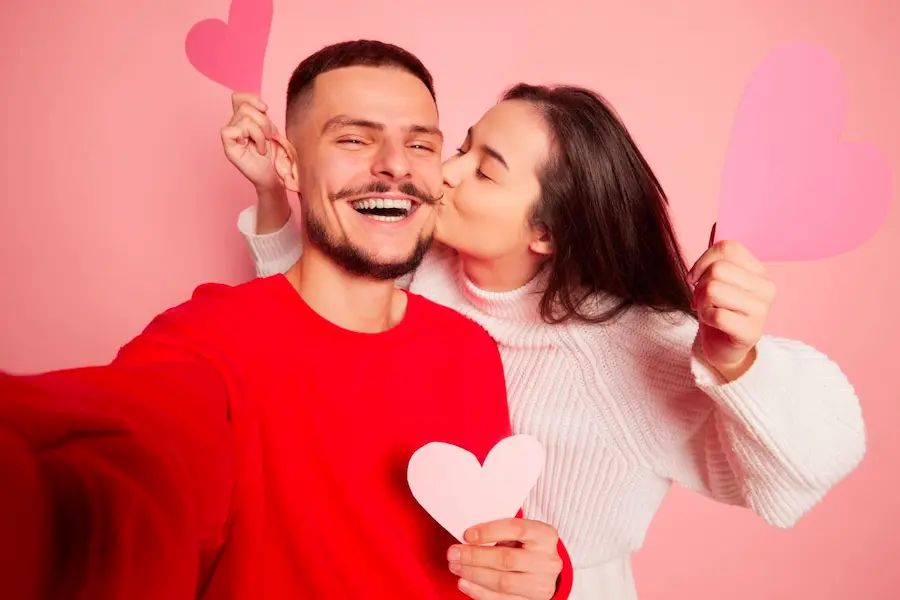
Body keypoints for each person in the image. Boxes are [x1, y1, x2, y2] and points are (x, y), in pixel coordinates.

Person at [228, 78, 867, 599]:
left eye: (484, 171)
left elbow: (814, 460)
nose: (446, 172)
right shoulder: (420, 273)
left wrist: (739, 361)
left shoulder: (628, 343)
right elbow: (308, 322)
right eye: (465, 148)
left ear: (547, 233)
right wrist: (271, 192)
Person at [0, 41, 574, 600]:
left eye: (421, 146)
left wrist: (542, 576)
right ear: (288, 165)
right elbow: (123, 470)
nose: (397, 165)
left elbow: (487, 537)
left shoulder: (468, 348)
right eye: (354, 138)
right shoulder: (205, 340)